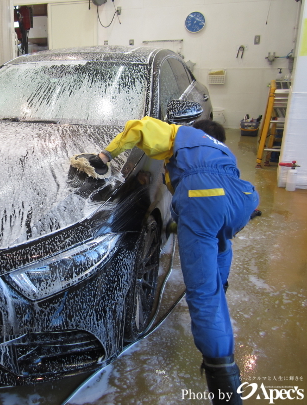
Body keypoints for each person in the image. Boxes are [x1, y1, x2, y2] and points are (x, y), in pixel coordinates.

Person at [72, 116, 259, 405]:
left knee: (203, 293)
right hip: (242, 200)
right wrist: (185, 224)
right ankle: (221, 289)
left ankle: (224, 381)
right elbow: (220, 197)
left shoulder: (180, 133)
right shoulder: (222, 150)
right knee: (219, 246)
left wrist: (103, 157)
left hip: (204, 197)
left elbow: (139, 126)